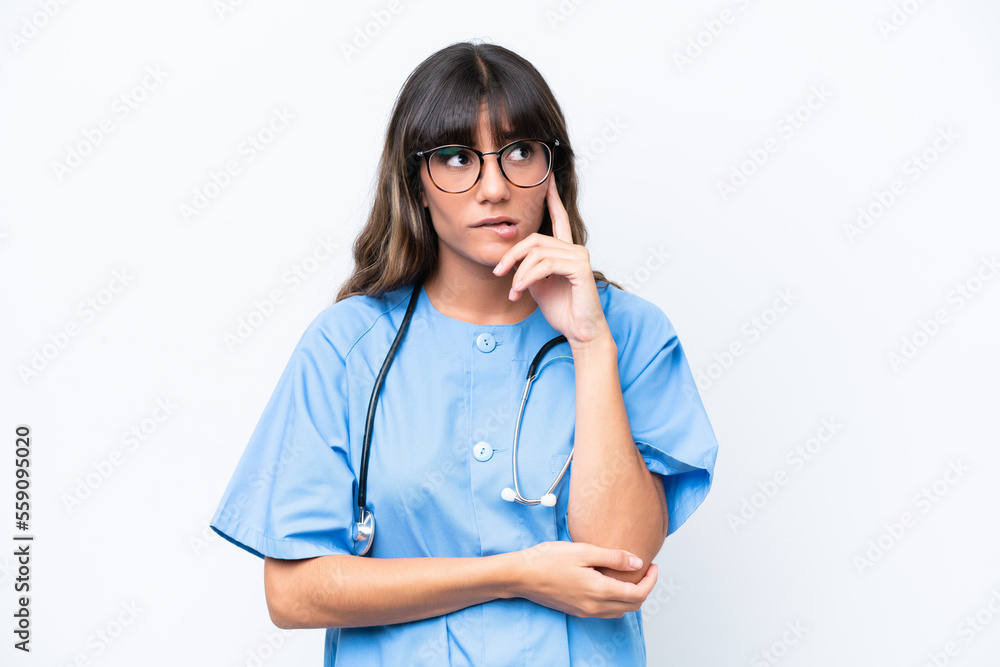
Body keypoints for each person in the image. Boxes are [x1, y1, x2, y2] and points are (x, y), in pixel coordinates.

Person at [210, 40, 720, 666]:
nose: (495, 188)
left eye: (520, 153)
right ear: (415, 183)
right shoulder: (346, 347)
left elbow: (622, 562)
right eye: (456, 158)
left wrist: (589, 347)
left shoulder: (629, 334)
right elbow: (294, 594)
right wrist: (512, 574)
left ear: (552, 172)